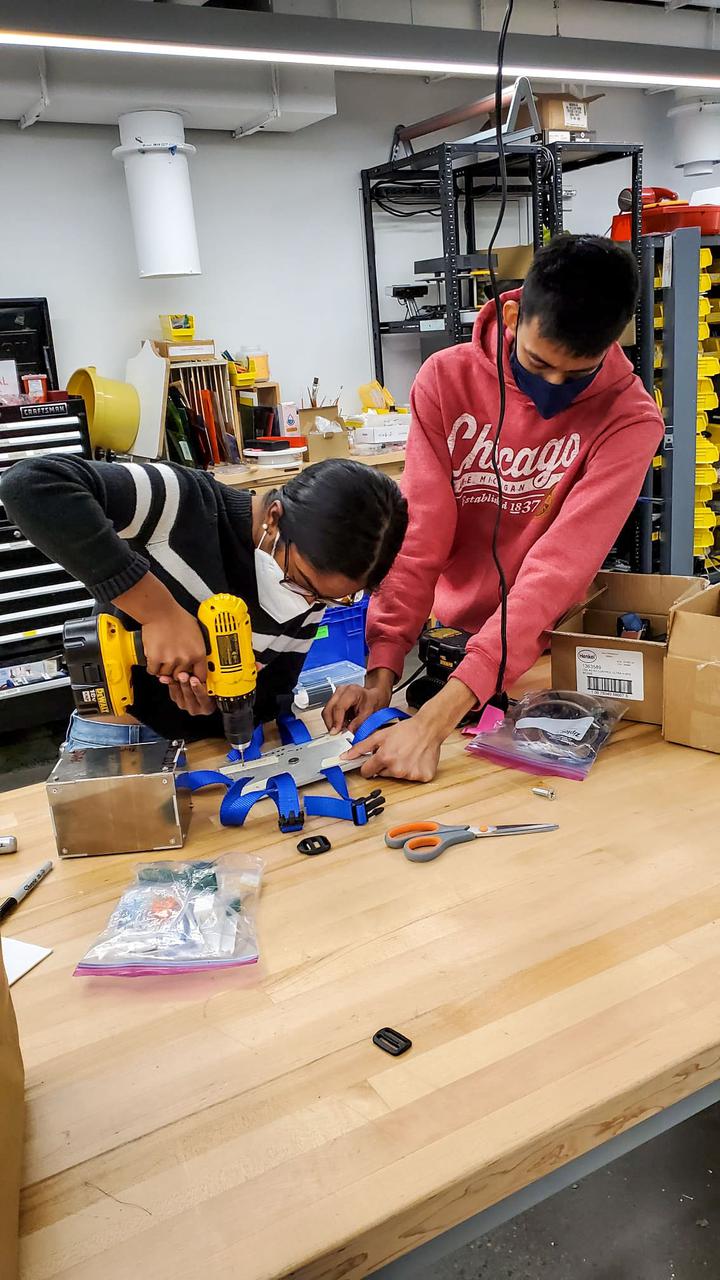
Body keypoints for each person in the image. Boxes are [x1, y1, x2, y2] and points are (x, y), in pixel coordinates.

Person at [324, 234, 664, 782]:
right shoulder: (445, 379)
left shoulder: (630, 421)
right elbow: (419, 537)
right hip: (450, 638)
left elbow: (557, 571)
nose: (552, 387)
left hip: (547, 652)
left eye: (576, 375)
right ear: (511, 316)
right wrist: (381, 671)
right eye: (538, 362)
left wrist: (431, 725)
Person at [1, 456, 408, 747]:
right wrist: (158, 613)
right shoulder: (182, 503)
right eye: (301, 582)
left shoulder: (317, 578)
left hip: (214, 750)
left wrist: (216, 706)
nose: (307, 603)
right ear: (275, 518)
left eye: (329, 598)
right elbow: (32, 485)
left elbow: (265, 693)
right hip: (120, 737)